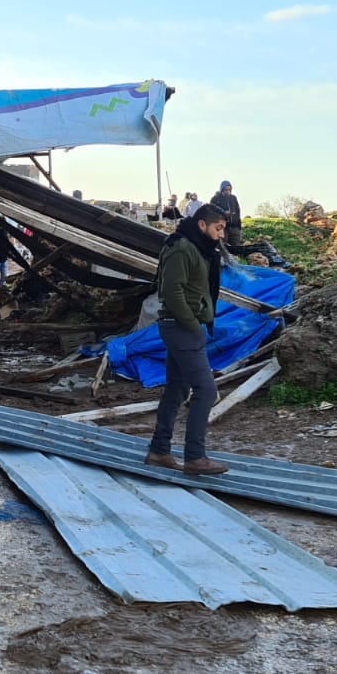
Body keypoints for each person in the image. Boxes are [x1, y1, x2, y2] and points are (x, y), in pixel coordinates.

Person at [146, 203, 231, 475]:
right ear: (202, 225)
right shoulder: (182, 248)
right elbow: (171, 290)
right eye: (218, 228)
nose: (221, 235)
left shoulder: (196, 248)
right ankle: (195, 457)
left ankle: (159, 452)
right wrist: (192, 323)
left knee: (177, 388)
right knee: (206, 390)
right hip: (181, 327)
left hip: (182, 327)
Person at [210, 181, 243, 246]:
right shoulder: (215, 199)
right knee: (223, 246)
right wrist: (223, 213)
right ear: (222, 189)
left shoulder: (233, 198)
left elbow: (238, 211)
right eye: (226, 190)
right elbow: (211, 211)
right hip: (222, 228)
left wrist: (238, 226)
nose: (228, 191)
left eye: (229, 189)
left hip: (234, 227)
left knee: (237, 246)